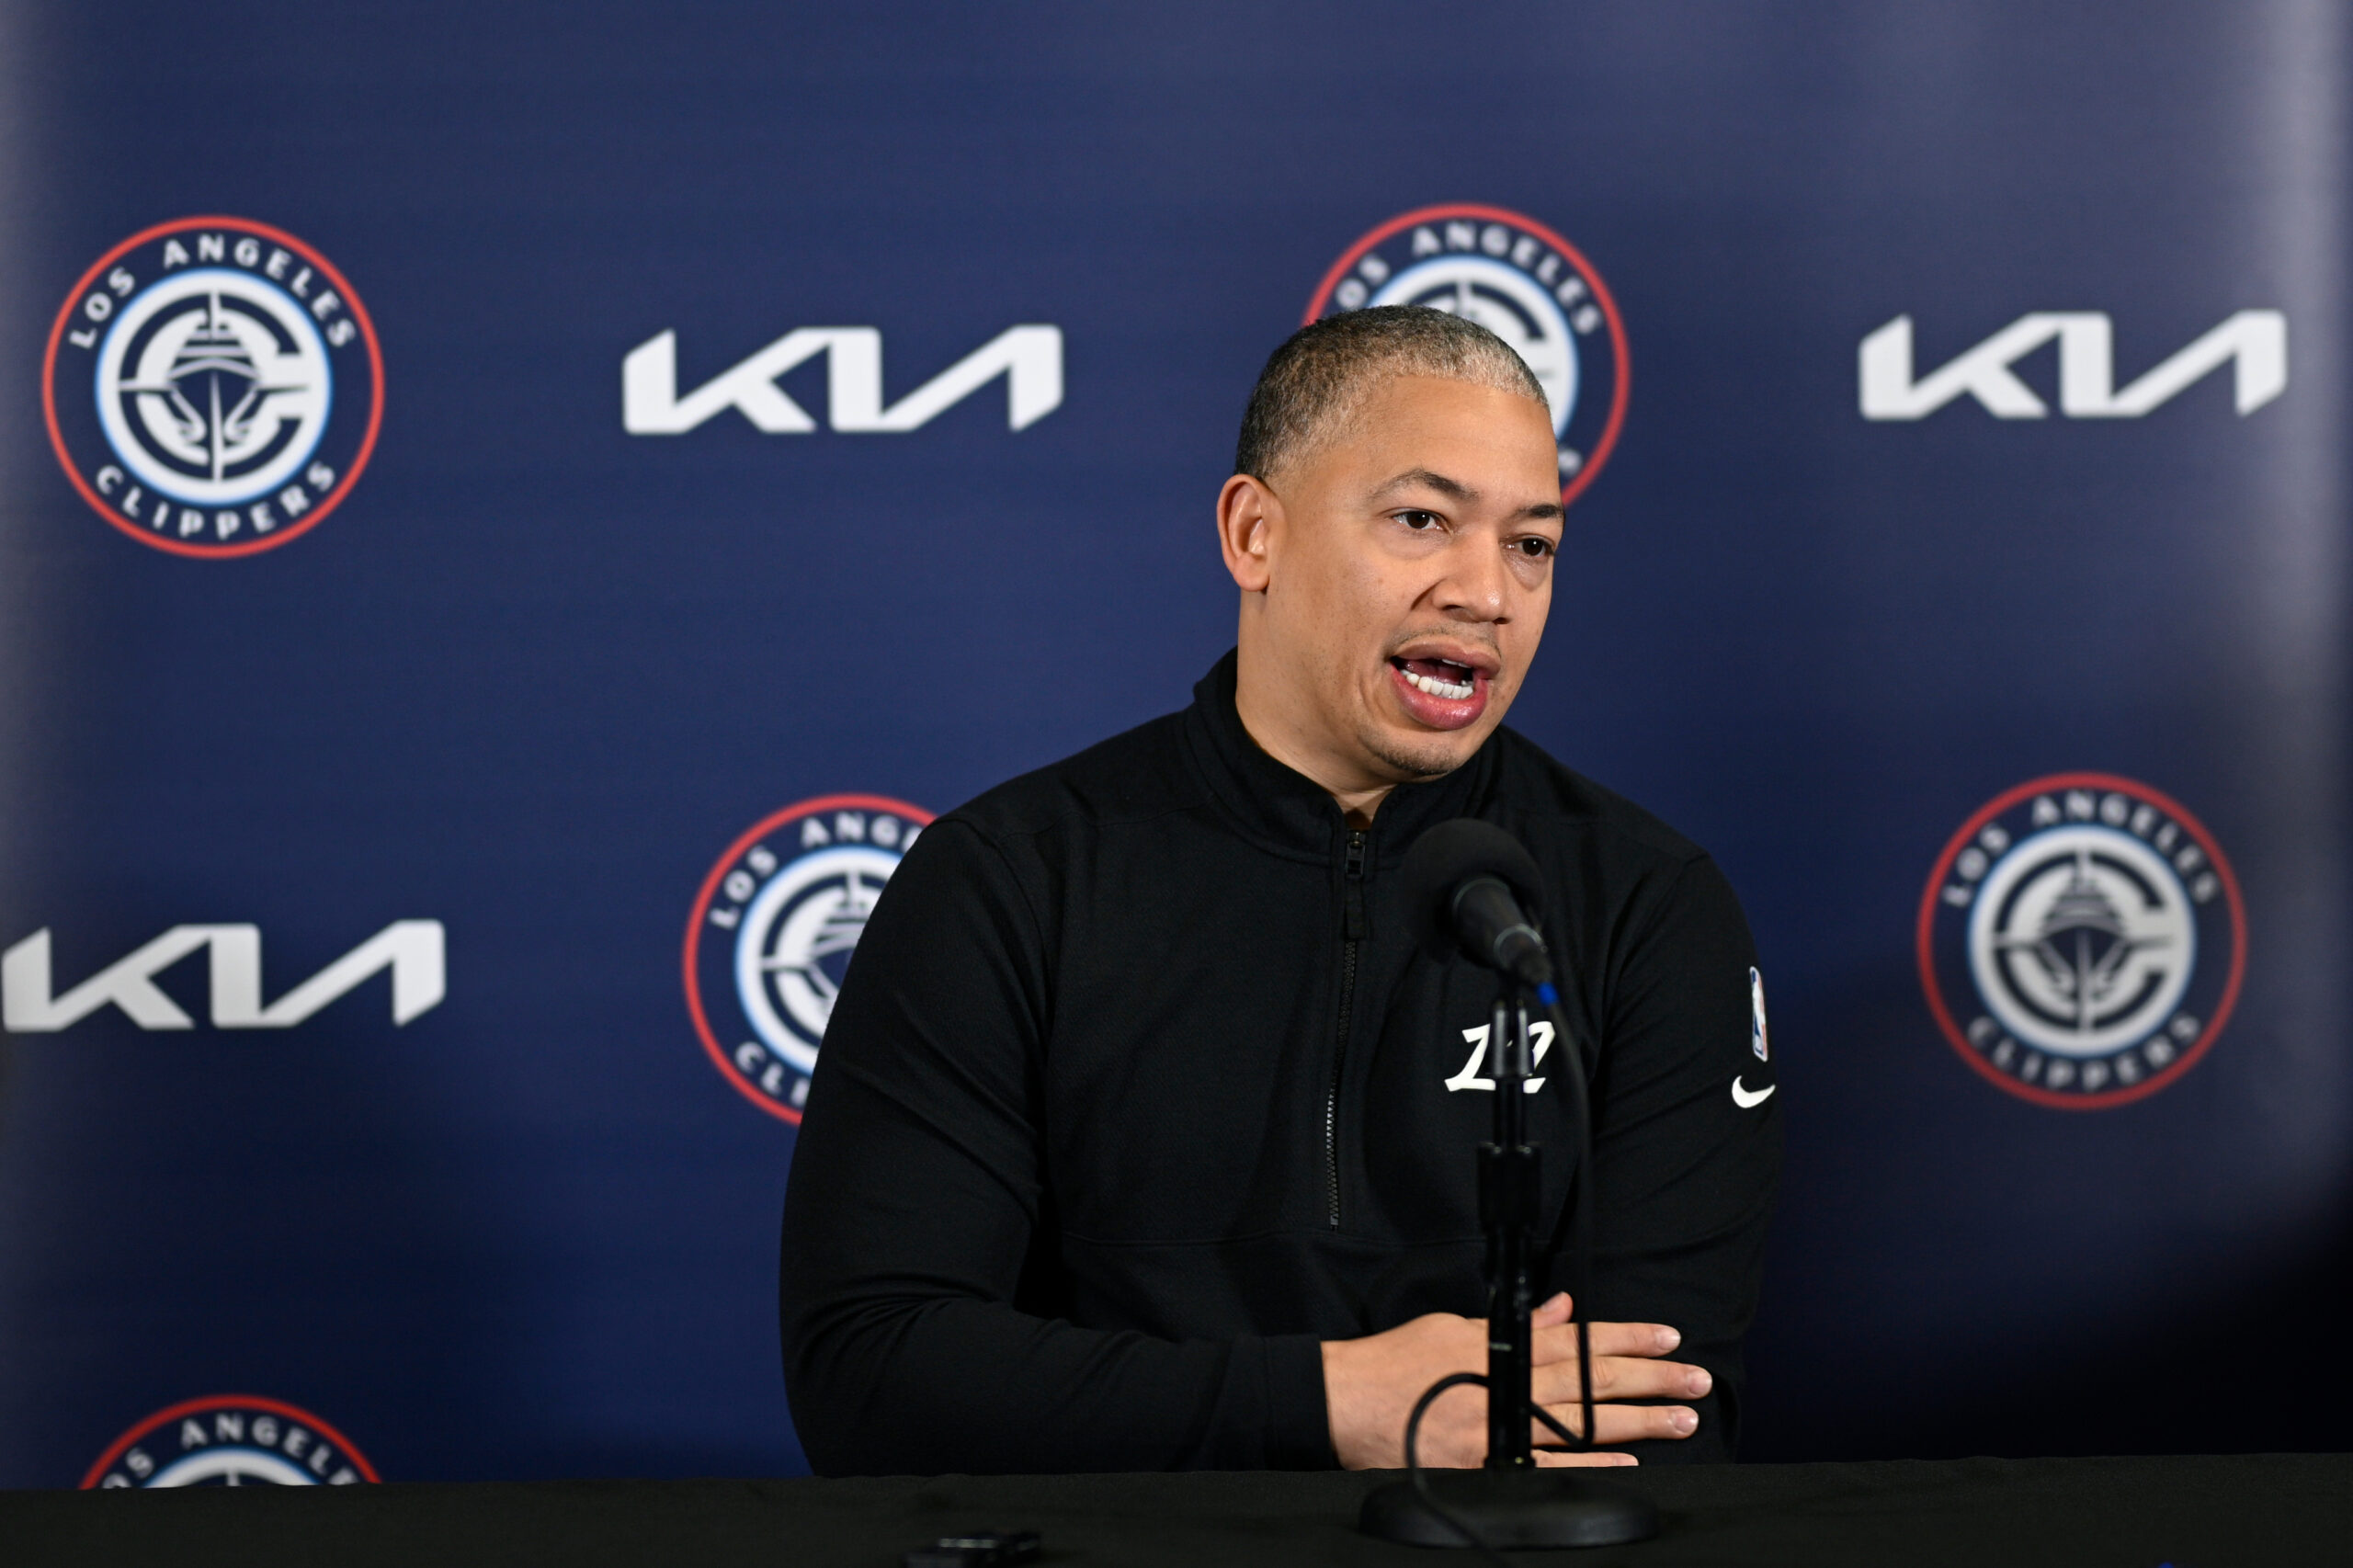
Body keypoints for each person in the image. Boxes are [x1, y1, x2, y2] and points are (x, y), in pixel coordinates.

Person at [779, 306, 1780, 1475]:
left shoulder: (1647, 904)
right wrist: (1332, 1401)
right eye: (1422, 520)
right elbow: (875, 1377)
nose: (1487, 593)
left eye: (1531, 545)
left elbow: (1657, 1412)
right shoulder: (1009, 880)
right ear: (1255, 533)